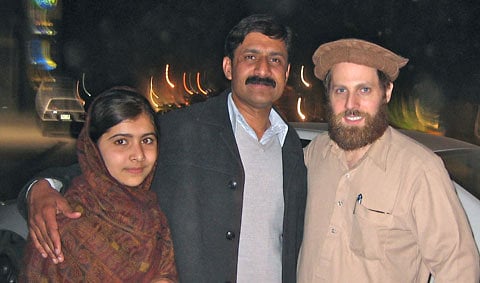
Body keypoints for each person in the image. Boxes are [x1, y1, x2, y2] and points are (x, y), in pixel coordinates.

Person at [19, 14, 307, 282]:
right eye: (250, 57)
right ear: (228, 67)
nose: (263, 69)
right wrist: (41, 187)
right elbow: (105, 165)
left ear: (287, 71)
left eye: (275, 60)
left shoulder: (291, 146)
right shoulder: (183, 129)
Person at [297, 38, 480, 282]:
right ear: (329, 96)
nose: (351, 104)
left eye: (364, 89)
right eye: (341, 90)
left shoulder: (419, 170)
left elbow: (458, 269)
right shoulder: (316, 153)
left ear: (387, 92)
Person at [19, 87, 178, 282]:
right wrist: (39, 186)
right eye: (121, 142)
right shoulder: (62, 223)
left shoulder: (153, 213)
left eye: (147, 140)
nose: (138, 154)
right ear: (93, 148)